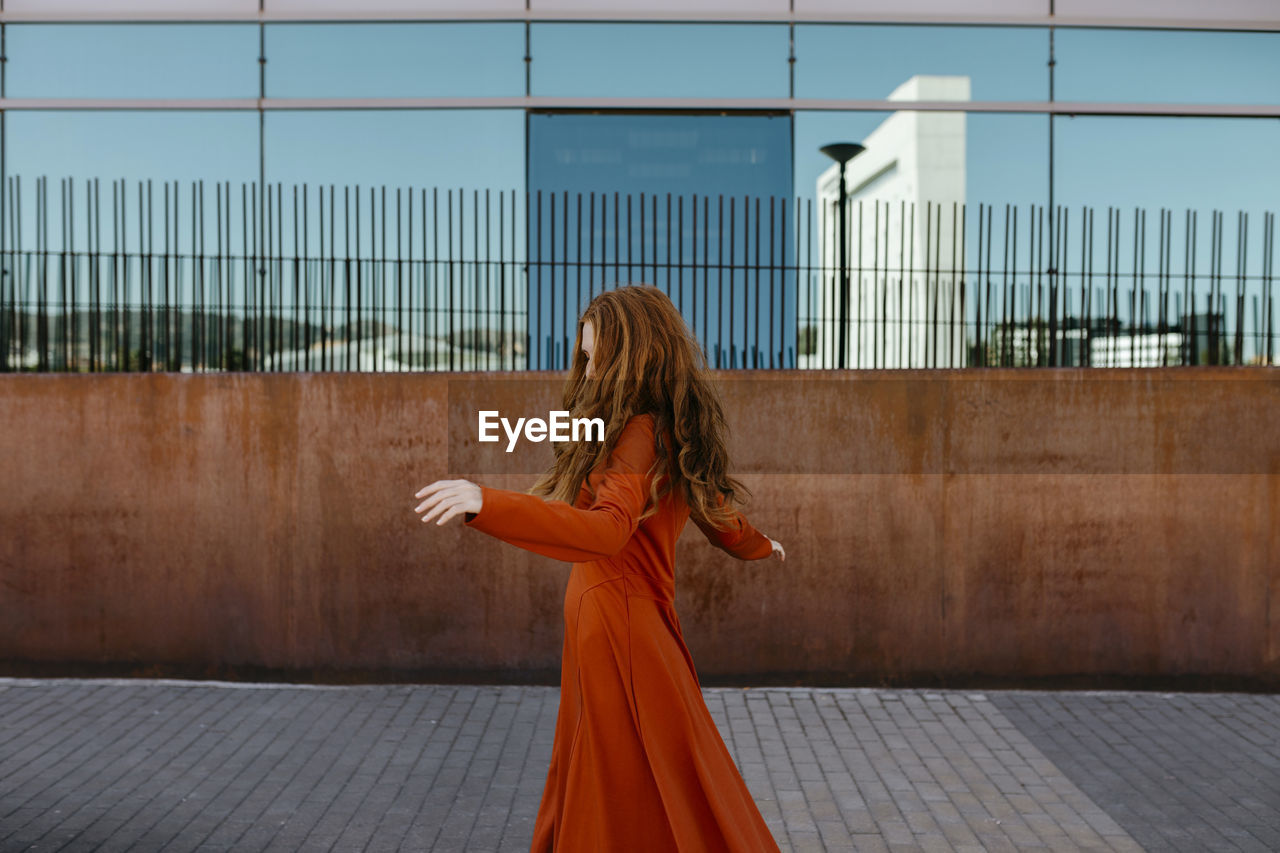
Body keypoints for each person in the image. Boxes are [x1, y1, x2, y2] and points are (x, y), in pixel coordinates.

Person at [414, 284, 785, 852]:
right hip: (617, 622)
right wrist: (761, 546)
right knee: (645, 772)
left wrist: (486, 502)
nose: (586, 373)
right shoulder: (653, 427)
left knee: (628, 775)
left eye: (595, 359)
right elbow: (717, 515)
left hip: (621, 626)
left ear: (634, 356)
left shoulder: (640, 431)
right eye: (584, 359)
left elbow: (607, 530)